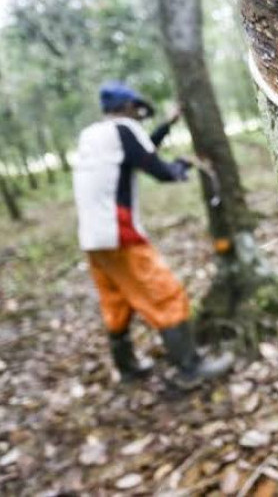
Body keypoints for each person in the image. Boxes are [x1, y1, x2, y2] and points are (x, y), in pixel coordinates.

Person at [73, 81, 231, 389]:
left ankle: (127, 367)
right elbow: (156, 168)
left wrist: (168, 125)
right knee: (165, 293)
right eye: (138, 110)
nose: (140, 116)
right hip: (119, 233)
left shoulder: (93, 134)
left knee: (116, 300)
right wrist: (179, 169)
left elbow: (140, 153)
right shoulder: (124, 129)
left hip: (92, 237)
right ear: (128, 107)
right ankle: (190, 367)